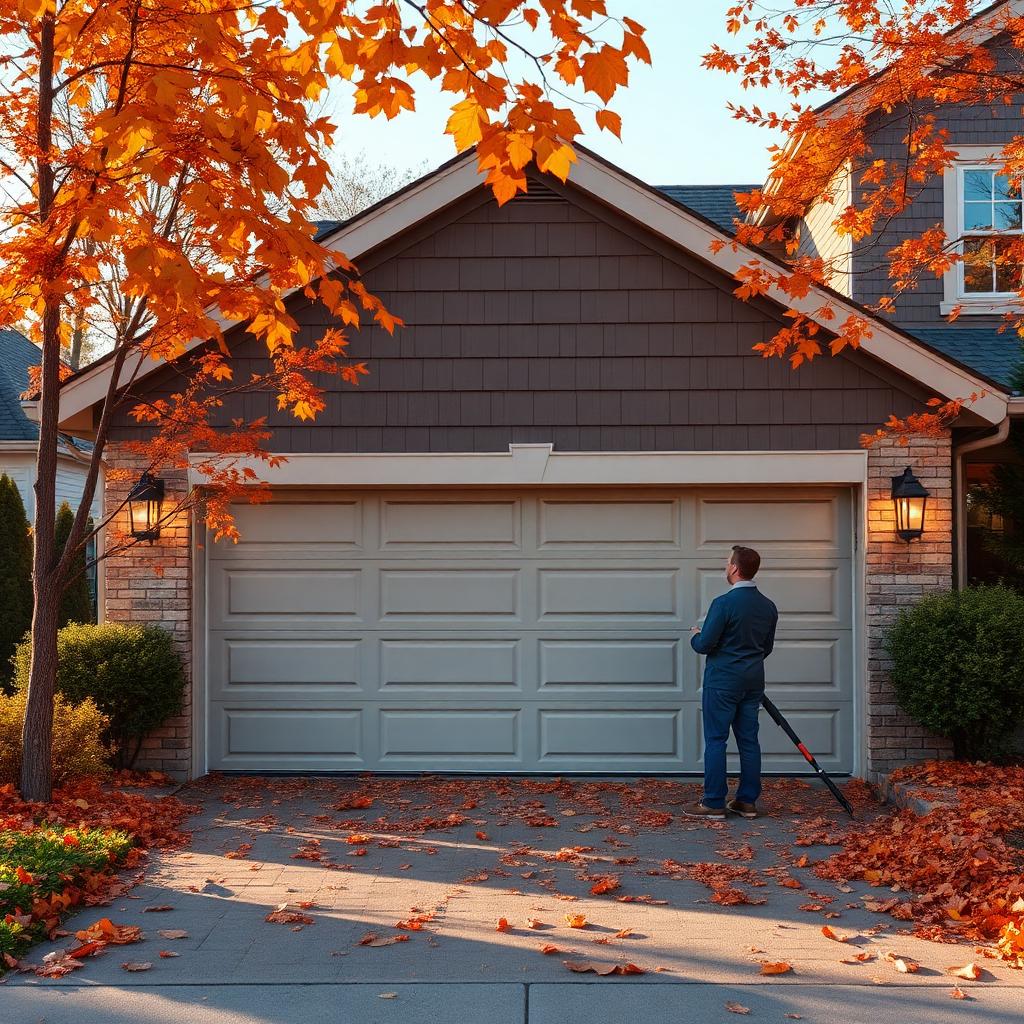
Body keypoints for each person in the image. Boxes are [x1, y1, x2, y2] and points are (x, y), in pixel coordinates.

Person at [683, 545, 778, 821]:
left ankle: (714, 801)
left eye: (728, 563)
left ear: (735, 568)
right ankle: (747, 801)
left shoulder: (723, 603)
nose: (726, 567)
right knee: (749, 740)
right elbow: (766, 647)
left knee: (716, 739)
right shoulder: (768, 606)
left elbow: (704, 645)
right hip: (752, 682)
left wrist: (695, 634)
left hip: (722, 681)